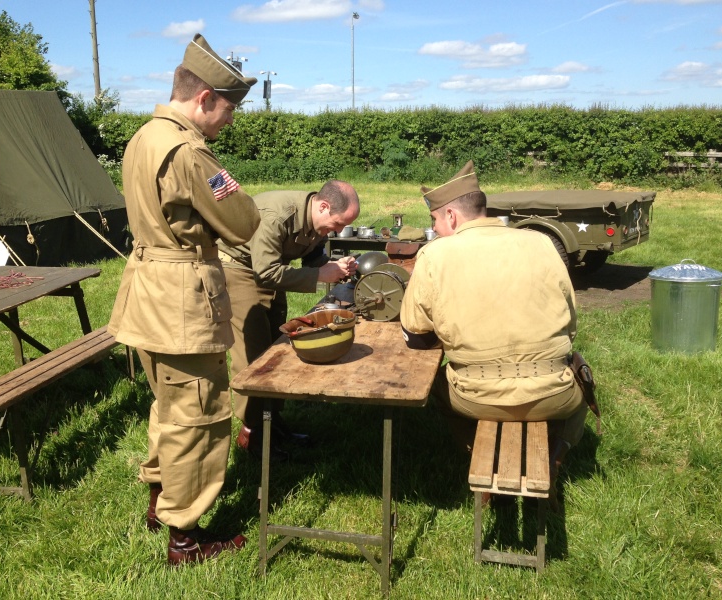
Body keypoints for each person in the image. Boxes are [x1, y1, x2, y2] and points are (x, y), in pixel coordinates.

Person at [107, 33, 260, 565]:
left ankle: (158, 505)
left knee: (169, 407)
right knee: (201, 414)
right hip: (181, 302)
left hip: (148, 290)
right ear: (204, 99)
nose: (229, 122)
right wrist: (232, 188)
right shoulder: (191, 152)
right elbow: (243, 222)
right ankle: (184, 538)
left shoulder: (141, 137)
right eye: (228, 110)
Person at [399, 160, 588, 489]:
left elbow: (414, 335)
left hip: (475, 397)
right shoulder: (541, 242)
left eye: (435, 220)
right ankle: (557, 453)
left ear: (452, 217)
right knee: (584, 382)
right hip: (554, 394)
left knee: (438, 389)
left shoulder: (434, 254)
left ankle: (478, 455)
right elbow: (572, 325)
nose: (435, 229)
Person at [217, 182, 360, 459]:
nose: (339, 232)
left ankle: (274, 423)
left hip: (270, 269)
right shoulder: (276, 216)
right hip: (239, 270)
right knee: (254, 358)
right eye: (337, 225)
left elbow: (312, 256)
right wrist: (320, 276)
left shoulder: (317, 220)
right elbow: (265, 273)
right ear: (323, 206)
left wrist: (335, 267)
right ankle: (252, 434)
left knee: (278, 349)